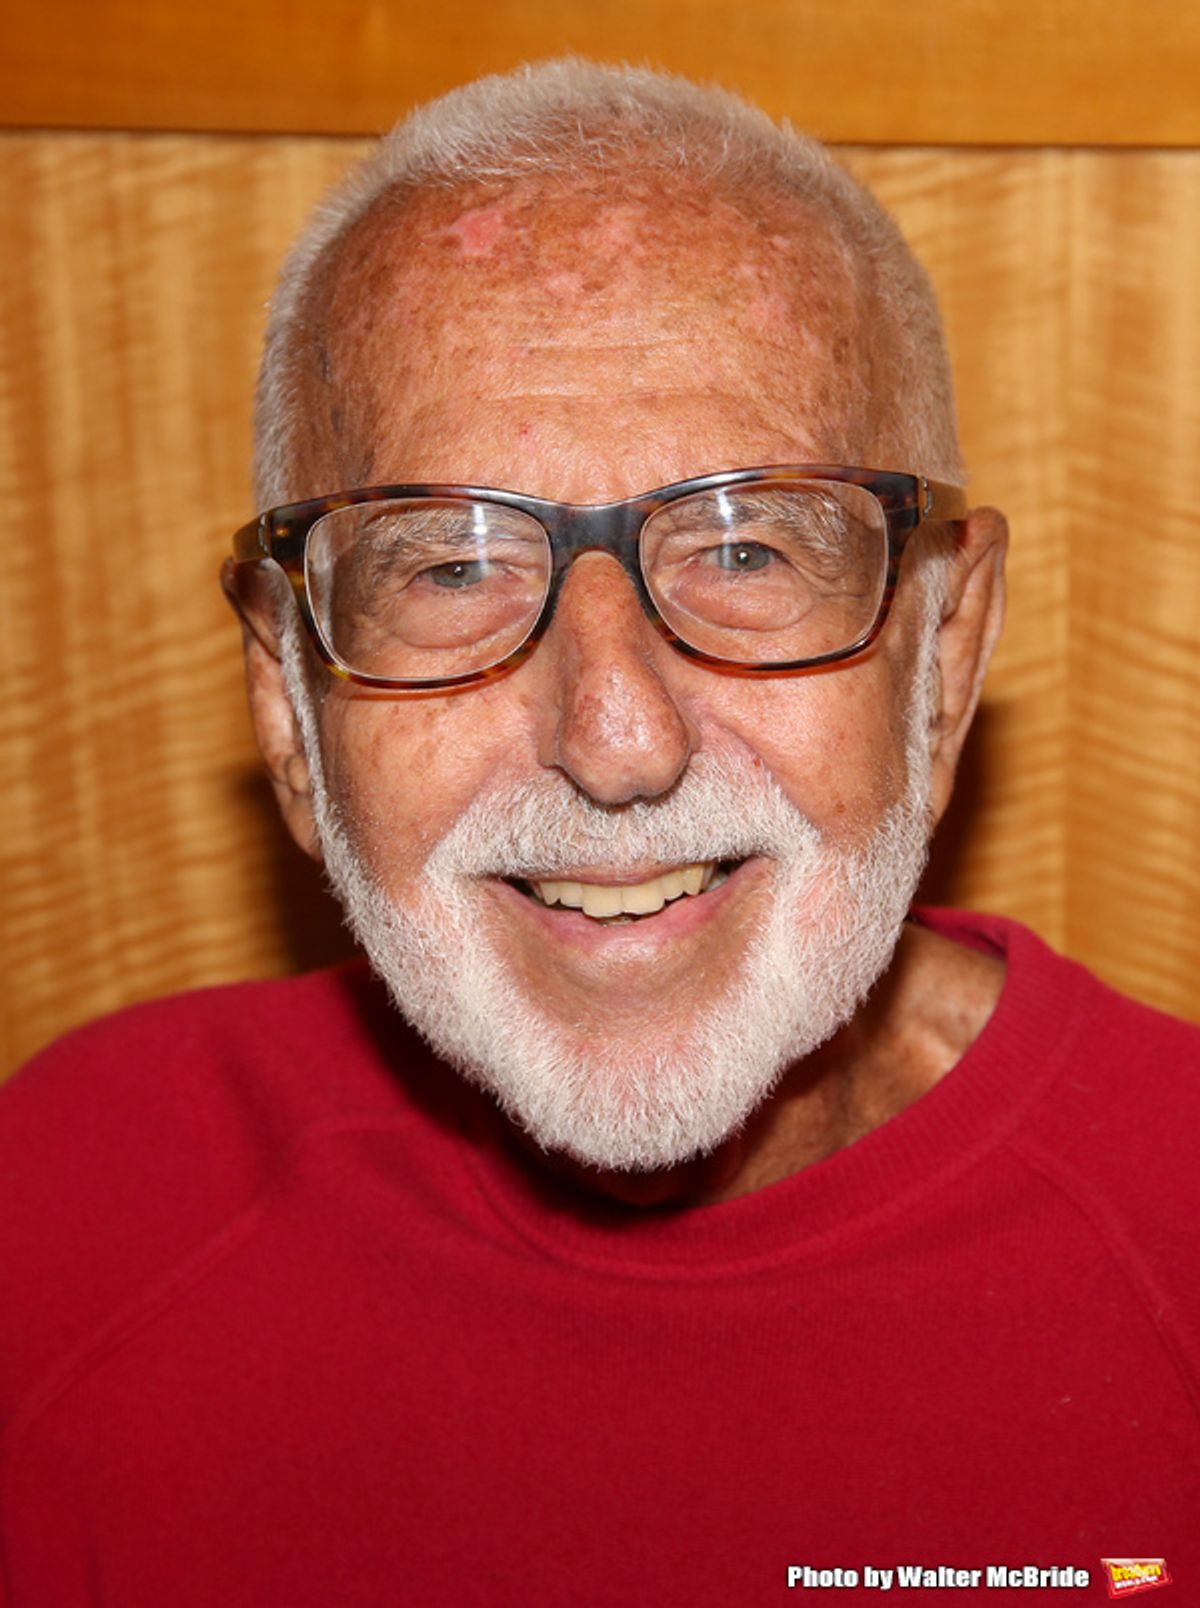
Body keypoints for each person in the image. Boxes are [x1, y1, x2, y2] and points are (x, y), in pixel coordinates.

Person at [0, 59, 1195, 1607]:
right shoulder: (71, 1218)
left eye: (748, 544)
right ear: (289, 708)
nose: (617, 741)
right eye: (448, 568)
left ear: (946, 656)